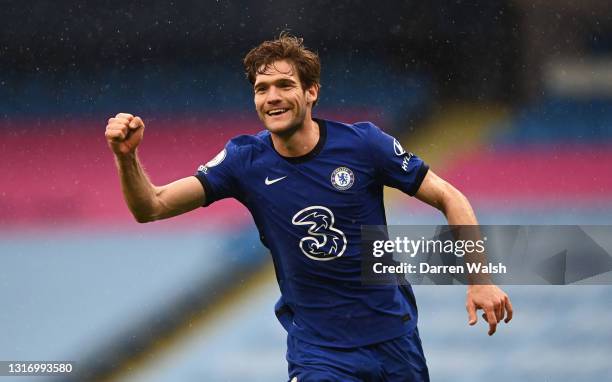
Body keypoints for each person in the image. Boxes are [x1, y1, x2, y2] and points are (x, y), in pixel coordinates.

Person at [105, 33, 513, 382]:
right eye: (261, 88)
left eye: (284, 85)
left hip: (393, 338)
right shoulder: (242, 160)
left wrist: (480, 280)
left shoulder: (363, 145)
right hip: (320, 352)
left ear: (311, 91)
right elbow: (152, 207)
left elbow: (449, 196)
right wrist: (126, 157)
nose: (272, 97)